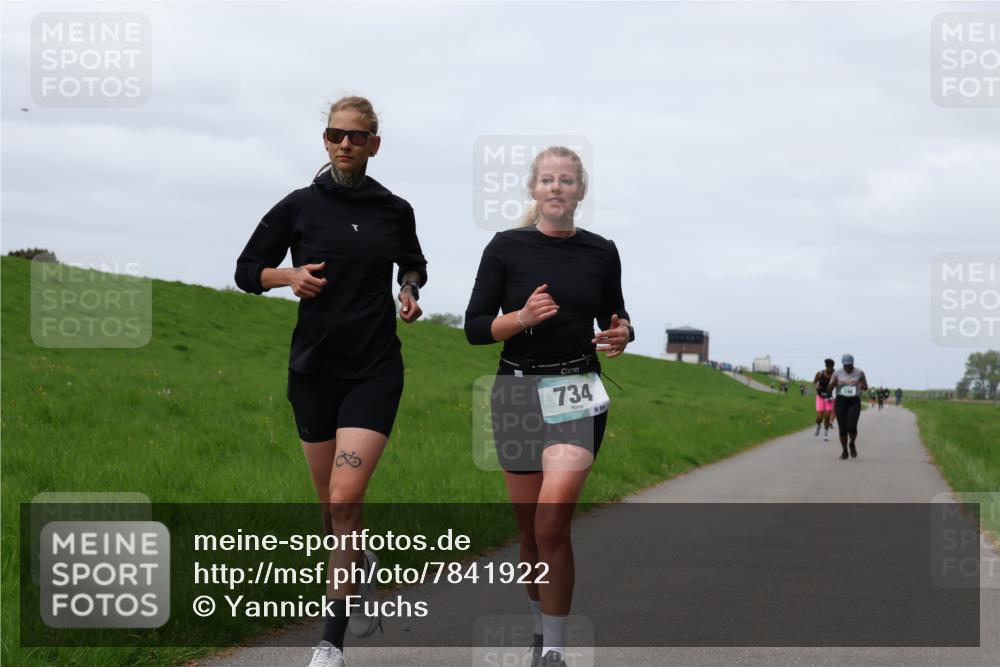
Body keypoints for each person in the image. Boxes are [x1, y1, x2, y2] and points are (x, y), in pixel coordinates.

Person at [234, 96, 428, 667]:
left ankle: (330, 641)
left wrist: (409, 291)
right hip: (314, 371)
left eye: (358, 136)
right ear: (325, 140)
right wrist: (286, 275)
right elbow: (246, 270)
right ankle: (359, 565)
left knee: (345, 499)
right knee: (330, 508)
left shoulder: (395, 209)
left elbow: (412, 261)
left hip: (373, 370)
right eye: (336, 134)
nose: (346, 144)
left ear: (374, 144)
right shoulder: (297, 207)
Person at [464, 146, 632, 667]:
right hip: (515, 392)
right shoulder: (505, 247)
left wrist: (623, 331)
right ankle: (541, 630)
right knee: (528, 529)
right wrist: (523, 317)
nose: (556, 188)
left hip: (576, 390)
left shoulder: (601, 251)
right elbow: (475, 328)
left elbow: (616, 312)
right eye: (546, 180)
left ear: (580, 190)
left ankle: (555, 651)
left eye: (566, 180)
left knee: (552, 520)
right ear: (533, 190)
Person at [827, 354, 869, 460]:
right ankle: (844, 450)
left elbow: (865, 387)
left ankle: (852, 444)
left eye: (849, 365)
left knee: (851, 427)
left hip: (854, 401)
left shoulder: (859, 372)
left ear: (853, 364)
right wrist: (834, 383)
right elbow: (829, 389)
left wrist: (862, 386)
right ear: (842, 364)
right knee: (843, 429)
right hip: (841, 401)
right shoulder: (837, 373)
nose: (847, 368)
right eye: (845, 366)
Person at [812, 359, 835, 441]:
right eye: (828, 367)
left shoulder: (835, 375)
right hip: (820, 396)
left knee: (827, 416)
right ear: (826, 367)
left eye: (831, 368)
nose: (830, 369)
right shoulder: (820, 373)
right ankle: (818, 425)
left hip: (830, 398)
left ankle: (826, 433)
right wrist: (816, 386)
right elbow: (814, 382)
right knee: (819, 416)